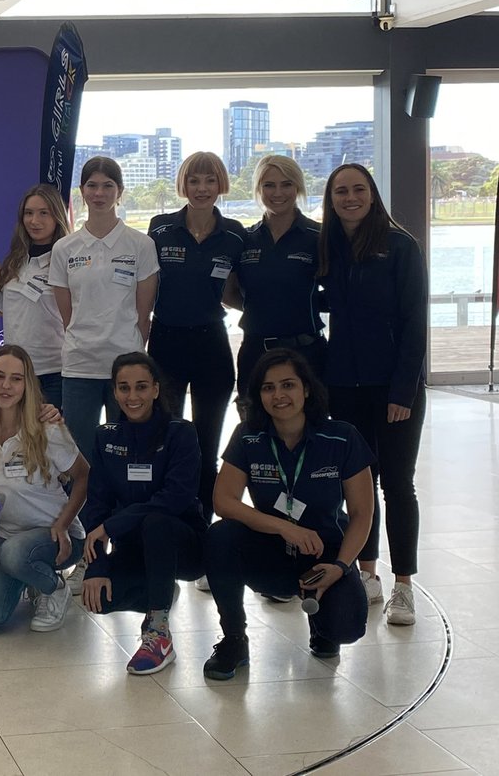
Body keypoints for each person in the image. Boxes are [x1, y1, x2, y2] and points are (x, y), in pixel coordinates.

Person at [203, 349, 373, 680]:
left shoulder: (342, 437)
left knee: (345, 628)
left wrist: (340, 567)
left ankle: (323, 624)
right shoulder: (248, 437)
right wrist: (284, 527)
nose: (279, 395)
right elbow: (224, 501)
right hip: (269, 551)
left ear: (306, 389)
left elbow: (363, 513)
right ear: (258, 395)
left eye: (288, 385)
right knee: (220, 536)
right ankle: (234, 639)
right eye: (268, 388)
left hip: (324, 556)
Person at [317, 163, 427, 626]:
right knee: (358, 486)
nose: (350, 198)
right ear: (331, 198)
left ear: (372, 194)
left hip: (394, 388)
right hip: (343, 385)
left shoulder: (400, 246)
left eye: (358, 189)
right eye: (341, 191)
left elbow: (413, 322)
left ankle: (404, 584)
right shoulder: (328, 247)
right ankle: (369, 573)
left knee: (397, 483)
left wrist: (403, 388)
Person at [79, 352, 206, 675]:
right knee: (98, 597)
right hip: (134, 547)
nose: (132, 396)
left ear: (156, 390)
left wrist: (115, 524)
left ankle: (158, 631)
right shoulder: (106, 436)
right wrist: (96, 566)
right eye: (124, 388)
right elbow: (96, 503)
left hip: (183, 547)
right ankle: (159, 594)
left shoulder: (181, 432)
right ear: (114, 391)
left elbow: (176, 498)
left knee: (156, 522)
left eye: (141, 387)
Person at [147, 151, 247, 521]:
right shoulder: (159, 228)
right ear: (183, 185)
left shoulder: (236, 235)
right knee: (168, 440)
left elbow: (239, 292)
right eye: (194, 180)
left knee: (207, 442)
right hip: (165, 343)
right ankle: (168, 529)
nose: (202, 188)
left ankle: (204, 531)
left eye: (209, 180)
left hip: (211, 344)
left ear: (220, 184)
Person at [0, 345, 88, 635]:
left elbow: (84, 476)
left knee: (14, 555)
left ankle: (54, 587)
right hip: (9, 533)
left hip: (59, 535)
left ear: (27, 384)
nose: (6, 385)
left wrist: (63, 524)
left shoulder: (46, 427)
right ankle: (31, 577)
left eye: (16, 378)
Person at [49, 158, 159, 461]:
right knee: (79, 454)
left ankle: (126, 509)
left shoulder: (141, 245)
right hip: (79, 365)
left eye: (107, 185)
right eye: (92, 185)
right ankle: (83, 510)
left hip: (126, 367)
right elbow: (67, 313)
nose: (99, 193)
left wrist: (127, 343)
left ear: (119, 191)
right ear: (82, 191)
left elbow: (143, 313)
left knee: (128, 451)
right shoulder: (65, 249)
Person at [224, 155, 325, 409]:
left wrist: (303, 304)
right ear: (258, 189)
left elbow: (340, 292)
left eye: (286, 184)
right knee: (254, 434)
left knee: (310, 434)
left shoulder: (319, 237)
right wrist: (261, 306)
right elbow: (229, 293)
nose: (278, 192)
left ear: (298, 187)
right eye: (269, 185)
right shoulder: (244, 239)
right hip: (255, 352)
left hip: (307, 352)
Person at [0, 186, 69, 408]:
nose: (34, 220)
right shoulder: (13, 262)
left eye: (43, 213)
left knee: (49, 440)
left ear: (57, 216)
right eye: (28, 213)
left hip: (52, 372)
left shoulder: (67, 260)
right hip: (15, 372)